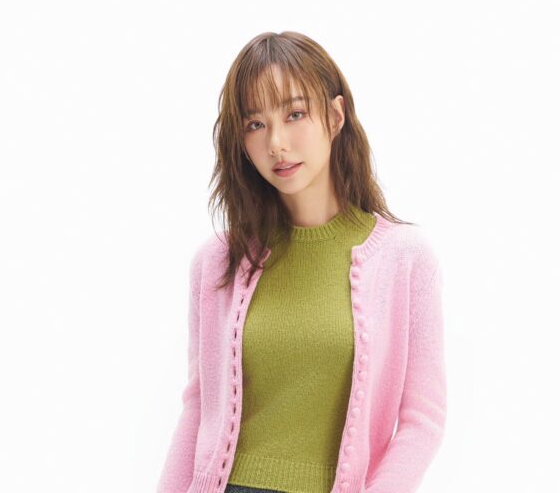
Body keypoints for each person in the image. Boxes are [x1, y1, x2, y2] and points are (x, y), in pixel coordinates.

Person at [157, 31, 447, 493]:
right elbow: (197, 408)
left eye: (294, 115)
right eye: (255, 124)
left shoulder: (405, 259)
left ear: (335, 116)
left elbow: (422, 422)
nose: (276, 143)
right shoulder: (216, 262)